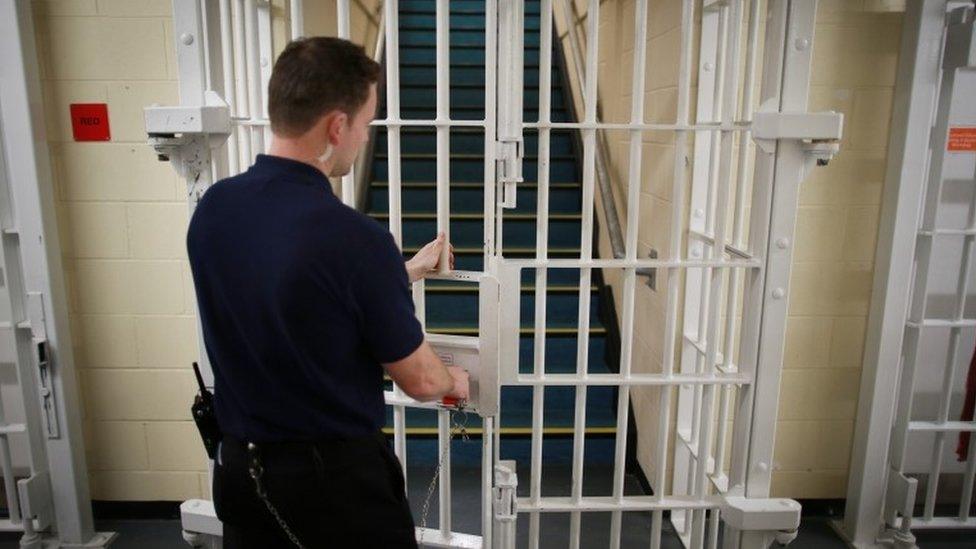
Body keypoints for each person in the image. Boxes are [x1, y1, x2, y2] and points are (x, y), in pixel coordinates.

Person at [186, 36, 469, 548]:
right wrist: (459, 379)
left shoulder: (214, 211)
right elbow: (423, 382)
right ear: (337, 126)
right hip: (334, 491)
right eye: (365, 123)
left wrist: (402, 273)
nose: (364, 137)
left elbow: (284, 291)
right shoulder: (355, 240)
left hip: (242, 477)